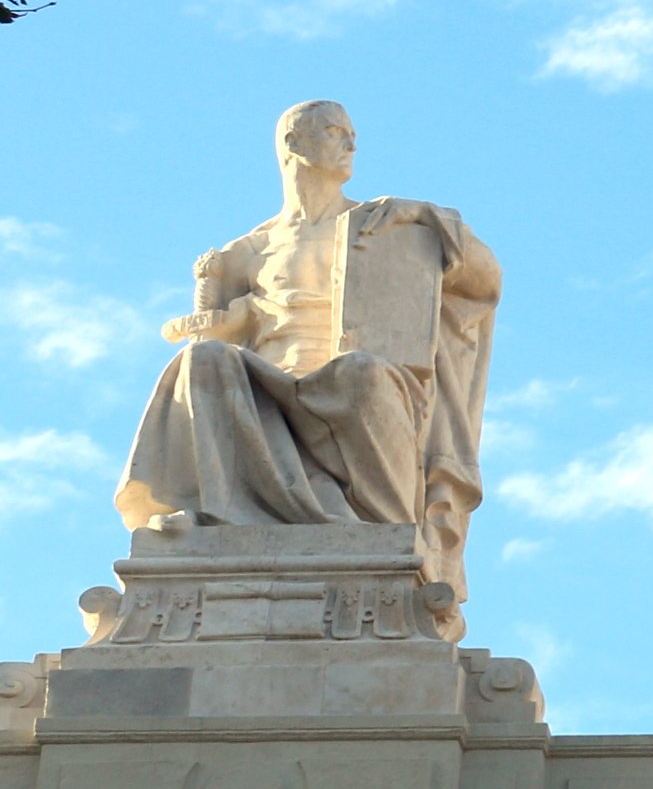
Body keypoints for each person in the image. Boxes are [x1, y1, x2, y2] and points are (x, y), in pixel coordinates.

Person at [117, 101, 501, 627]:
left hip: (361, 384)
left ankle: (390, 537)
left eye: (351, 134)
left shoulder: (384, 223)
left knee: (359, 372)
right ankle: (208, 507)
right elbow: (214, 326)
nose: (351, 145)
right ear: (294, 145)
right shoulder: (250, 248)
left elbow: (485, 282)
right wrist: (207, 318)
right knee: (201, 360)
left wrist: (428, 218)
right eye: (335, 132)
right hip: (269, 389)